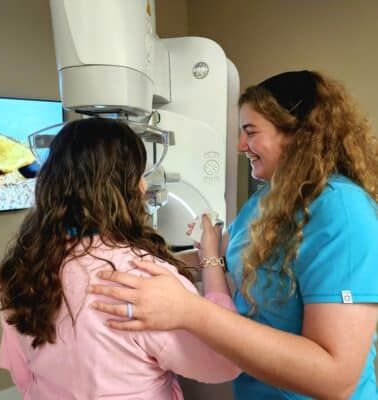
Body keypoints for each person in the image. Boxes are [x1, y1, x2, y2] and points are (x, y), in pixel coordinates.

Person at [89, 70, 378, 399]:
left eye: (250, 132)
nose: (241, 146)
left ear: (299, 134)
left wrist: (188, 310)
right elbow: (228, 264)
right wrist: (121, 260)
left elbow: (335, 378)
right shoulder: (266, 200)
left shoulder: (343, 211)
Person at [0, 117, 241, 400]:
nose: (145, 185)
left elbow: (23, 374)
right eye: (139, 174)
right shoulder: (145, 279)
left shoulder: (22, 267)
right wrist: (211, 264)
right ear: (123, 188)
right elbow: (224, 363)